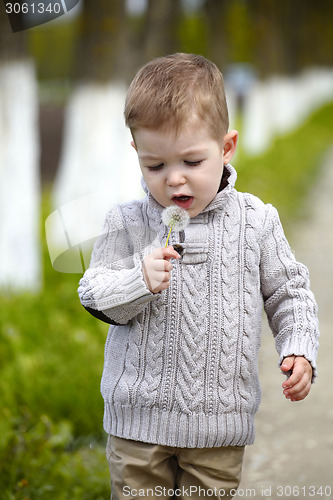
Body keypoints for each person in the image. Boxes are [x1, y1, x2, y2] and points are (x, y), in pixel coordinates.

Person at [78, 53, 319, 499]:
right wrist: (137, 280)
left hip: (219, 428)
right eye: (155, 166)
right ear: (138, 154)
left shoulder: (256, 221)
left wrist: (299, 348)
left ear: (226, 147)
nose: (174, 180)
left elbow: (290, 294)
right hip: (138, 424)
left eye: (191, 162)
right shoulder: (126, 222)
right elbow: (93, 294)